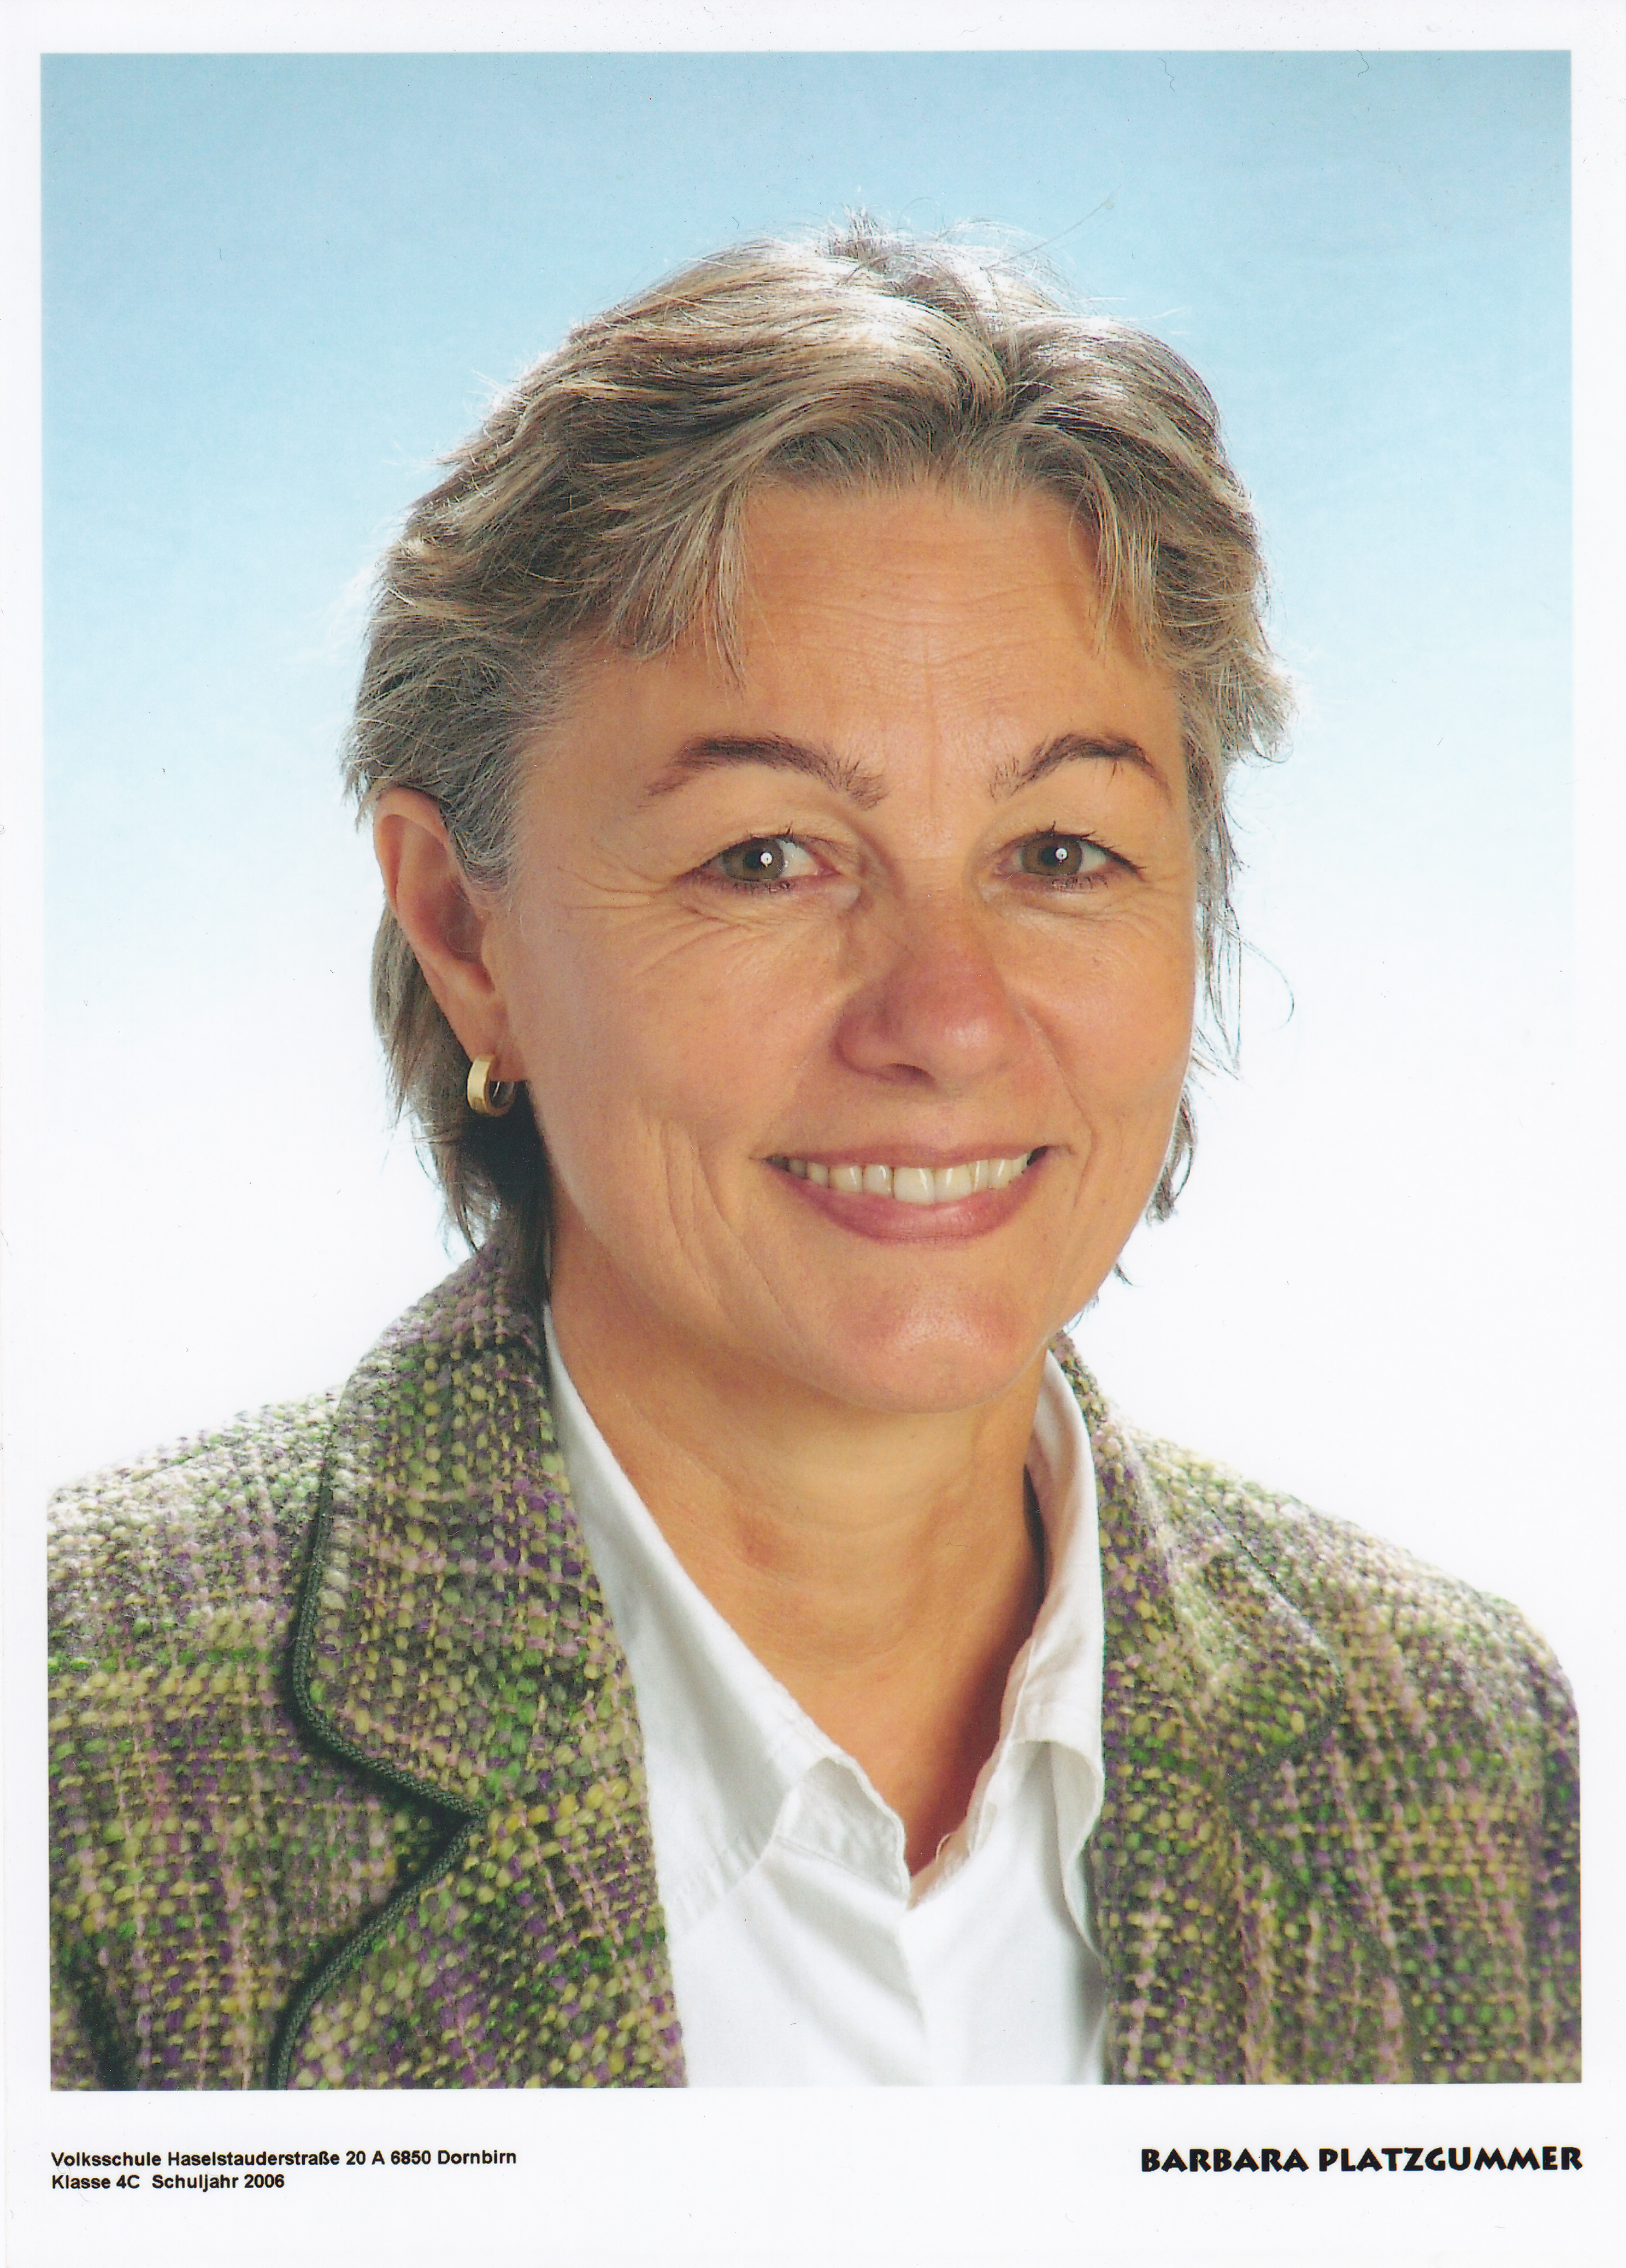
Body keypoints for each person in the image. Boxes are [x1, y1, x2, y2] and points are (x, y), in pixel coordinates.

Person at [48, 222, 1578, 2090]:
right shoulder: (75, 1750)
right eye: (766, 859)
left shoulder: (1473, 1760)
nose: (948, 1019)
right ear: (463, 929)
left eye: (1061, 854)